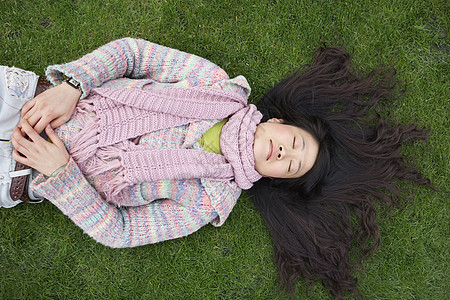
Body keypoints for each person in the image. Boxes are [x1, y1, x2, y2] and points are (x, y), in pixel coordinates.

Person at [2, 38, 434, 298]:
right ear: (279, 123)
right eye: (295, 144)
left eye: (292, 166)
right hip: (29, 100)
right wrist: (74, 86)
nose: (286, 154)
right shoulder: (215, 84)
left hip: (23, 173)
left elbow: (122, 232)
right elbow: (132, 53)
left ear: (276, 179)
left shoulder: (209, 202)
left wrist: (63, 176)